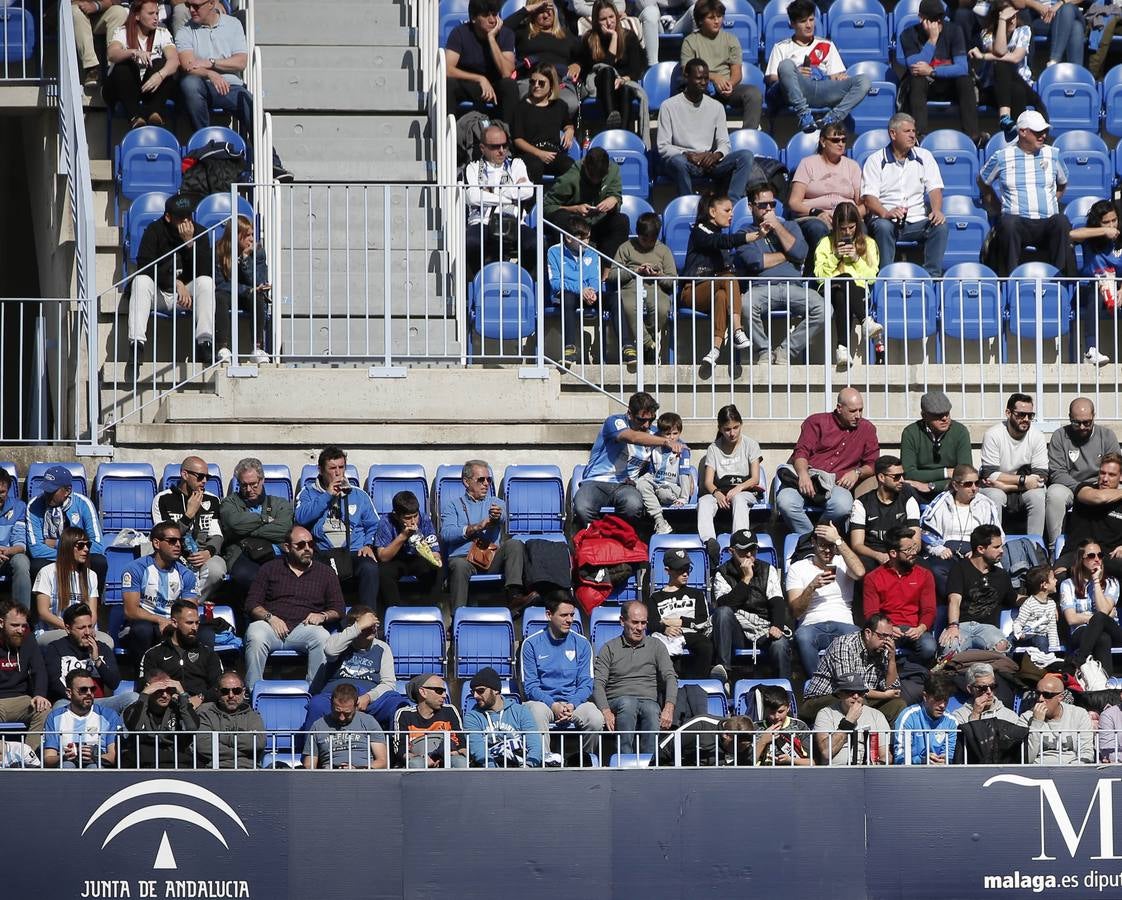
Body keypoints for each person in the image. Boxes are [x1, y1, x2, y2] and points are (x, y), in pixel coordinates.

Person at [174, 0, 290, 179]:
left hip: (231, 86)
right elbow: (188, 66)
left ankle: (272, 164)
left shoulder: (233, 24)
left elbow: (241, 62)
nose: (191, 10)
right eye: (189, 5)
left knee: (248, 101)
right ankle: (205, 148)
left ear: (211, 3)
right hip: (202, 85)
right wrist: (211, 74)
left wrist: (211, 62)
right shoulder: (185, 31)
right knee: (189, 84)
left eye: (196, 6)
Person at [243, 525, 345, 691]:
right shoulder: (269, 569)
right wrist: (270, 618)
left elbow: (339, 608)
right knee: (255, 633)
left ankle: (314, 693)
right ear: (287, 547)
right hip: (271, 627)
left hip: (304, 628)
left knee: (322, 637)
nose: (307, 549)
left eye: (311, 544)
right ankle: (254, 692)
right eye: (301, 545)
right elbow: (251, 604)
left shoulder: (326, 573)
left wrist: (323, 616)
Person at [127, 193, 217, 369]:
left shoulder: (199, 233)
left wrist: (190, 243)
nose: (186, 222)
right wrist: (175, 282)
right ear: (168, 217)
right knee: (141, 282)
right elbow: (145, 266)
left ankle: (205, 342)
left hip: (185, 298)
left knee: (206, 282)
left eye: (189, 216)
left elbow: (205, 270)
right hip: (160, 293)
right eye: (180, 218)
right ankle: (136, 345)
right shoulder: (154, 230)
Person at [739, 185, 825, 365]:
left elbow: (801, 253)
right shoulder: (745, 233)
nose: (769, 208)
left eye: (772, 204)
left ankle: (786, 350)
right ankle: (763, 351)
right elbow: (756, 262)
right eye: (763, 205)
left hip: (793, 287)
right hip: (762, 288)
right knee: (745, 305)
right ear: (751, 206)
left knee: (824, 309)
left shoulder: (790, 226)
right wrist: (788, 255)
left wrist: (777, 226)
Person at [776, 387, 880, 534]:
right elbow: (801, 452)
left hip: (835, 485)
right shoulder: (816, 422)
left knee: (843, 506)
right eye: (852, 411)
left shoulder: (867, 429)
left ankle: (818, 537)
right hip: (808, 478)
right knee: (785, 502)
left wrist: (857, 472)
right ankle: (812, 538)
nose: (858, 415)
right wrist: (803, 474)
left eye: (860, 410)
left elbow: (873, 463)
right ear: (839, 408)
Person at [977, 110, 1069, 276]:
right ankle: (1008, 283)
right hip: (1017, 221)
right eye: (1037, 132)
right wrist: (997, 205)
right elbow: (983, 181)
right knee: (1008, 224)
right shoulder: (1002, 157)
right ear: (1022, 132)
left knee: (1061, 221)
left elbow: (1062, 183)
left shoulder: (1053, 154)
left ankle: (1061, 280)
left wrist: (1052, 200)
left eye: (1045, 131)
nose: (1043, 135)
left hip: (1047, 221)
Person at [573, 391, 683, 527]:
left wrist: (686, 472)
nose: (646, 425)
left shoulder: (654, 434)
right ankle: (596, 540)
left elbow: (677, 444)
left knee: (633, 505)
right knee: (583, 507)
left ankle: (622, 540)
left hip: (626, 485)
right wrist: (665, 442)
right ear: (629, 414)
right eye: (641, 420)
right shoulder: (614, 422)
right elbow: (632, 437)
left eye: (651, 420)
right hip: (597, 481)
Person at [860, 112, 948, 278]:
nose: (913, 135)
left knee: (940, 225)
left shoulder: (925, 156)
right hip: (886, 219)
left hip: (917, 220)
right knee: (883, 226)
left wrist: (936, 209)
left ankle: (932, 278)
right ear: (893, 134)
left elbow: (935, 188)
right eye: (907, 131)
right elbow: (869, 199)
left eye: (913, 131)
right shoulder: (875, 160)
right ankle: (886, 277)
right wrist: (886, 213)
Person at [295, 445, 380, 611]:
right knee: (315, 569)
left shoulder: (359, 495)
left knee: (370, 567)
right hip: (323, 552)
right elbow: (300, 518)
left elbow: (374, 524)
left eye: (341, 467)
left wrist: (368, 544)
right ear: (320, 470)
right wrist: (327, 495)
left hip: (354, 551)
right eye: (332, 468)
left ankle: (369, 619)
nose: (337, 472)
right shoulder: (307, 493)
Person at [764, 0, 870, 133]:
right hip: (797, 90)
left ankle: (832, 119)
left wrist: (840, 77)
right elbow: (772, 78)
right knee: (786, 65)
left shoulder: (827, 45)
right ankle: (804, 116)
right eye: (803, 21)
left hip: (823, 88)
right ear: (792, 24)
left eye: (811, 19)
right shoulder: (781, 47)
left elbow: (835, 75)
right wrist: (795, 73)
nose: (809, 25)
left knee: (864, 80)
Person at [440, 460, 532, 611]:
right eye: (481, 480)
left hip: (490, 558)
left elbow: (501, 515)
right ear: (466, 482)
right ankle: (458, 617)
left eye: (488, 480)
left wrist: (496, 517)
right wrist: (475, 527)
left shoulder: (496, 502)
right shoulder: (453, 506)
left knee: (514, 544)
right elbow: (446, 534)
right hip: (465, 559)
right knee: (458, 565)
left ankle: (515, 597)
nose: (486, 484)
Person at [656, 59, 754, 202]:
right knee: (677, 162)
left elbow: (724, 143)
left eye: (706, 78)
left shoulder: (716, 107)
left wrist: (716, 155)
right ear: (686, 77)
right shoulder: (668, 106)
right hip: (684, 161)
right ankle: (688, 203)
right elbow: (663, 146)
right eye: (698, 78)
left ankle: (732, 204)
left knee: (745, 156)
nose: (703, 82)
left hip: (708, 162)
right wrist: (687, 154)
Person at [302, 606, 409, 733]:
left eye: (373, 624)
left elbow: (389, 683)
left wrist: (368, 697)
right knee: (316, 705)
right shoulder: (337, 640)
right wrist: (357, 627)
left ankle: (397, 751)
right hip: (336, 697)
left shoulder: (382, 647)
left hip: (368, 699)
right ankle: (311, 752)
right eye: (366, 625)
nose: (372, 628)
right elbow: (330, 652)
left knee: (397, 705)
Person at [679, 192, 754, 368]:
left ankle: (715, 349)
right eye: (727, 210)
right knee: (728, 279)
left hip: (713, 290)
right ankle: (737, 329)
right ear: (713, 212)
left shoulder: (721, 239)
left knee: (721, 296)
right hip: (692, 291)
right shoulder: (700, 230)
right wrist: (751, 237)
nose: (732, 214)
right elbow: (718, 241)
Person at [593, 601, 677, 755]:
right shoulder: (609, 648)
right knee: (628, 703)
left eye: (643, 623)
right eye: (635, 622)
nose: (640, 628)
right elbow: (598, 683)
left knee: (652, 709)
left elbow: (670, 677)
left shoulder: (656, 646)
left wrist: (669, 708)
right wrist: (605, 711)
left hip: (648, 699)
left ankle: (651, 762)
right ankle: (625, 759)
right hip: (618, 700)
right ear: (622, 621)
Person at [521, 595, 605, 748]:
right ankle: (543, 763)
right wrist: (553, 705)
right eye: (563, 615)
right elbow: (530, 687)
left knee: (595, 718)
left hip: (573, 703)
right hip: (544, 704)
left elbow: (586, 684)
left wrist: (572, 704)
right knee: (536, 712)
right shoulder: (531, 644)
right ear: (549, 615)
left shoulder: (582, 644)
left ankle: (585, 761)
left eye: (572, 615)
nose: (569, 620)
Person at [710, 529, 791, 680]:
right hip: (736, 631)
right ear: (731, 551)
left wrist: (777, 626)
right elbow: (725, 604)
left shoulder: (768, 570)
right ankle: (723, 672)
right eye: (743, 550)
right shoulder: (722, 573)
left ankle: (783, 691)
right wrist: (746, 579)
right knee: (723, 613)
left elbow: (777, 602)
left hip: (763, 628)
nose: (749, 555)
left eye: (752, 550)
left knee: (780, 645)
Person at [897, 0, 981, 145]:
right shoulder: (908, 34)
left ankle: (972, 135)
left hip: (949, 84)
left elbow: (962, 67)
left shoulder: (954, 30)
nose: (937, 23)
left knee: (965, 80)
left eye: (940, 18)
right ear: (921, 18)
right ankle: (920, 135)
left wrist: (932, 70)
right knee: (917, 80)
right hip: (925, 86)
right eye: (933, 19)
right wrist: (932, 40)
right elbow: (914, 67)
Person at [786, 522, 864, 677]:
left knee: (857, 636)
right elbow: (795, 611)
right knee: (802, 637)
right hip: (812, 624)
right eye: (823, 546)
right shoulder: (798, 568)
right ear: (813, 543)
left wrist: (838, 540)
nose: (828, 551)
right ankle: (819, 683)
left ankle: (849, 685)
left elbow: (860, 572)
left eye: (831, 546)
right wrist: (812, 587)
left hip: (844, 623)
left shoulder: (843, 563)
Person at [786, 122, 864, 268]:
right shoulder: (807, 164)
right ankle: (819, 273)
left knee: (862, 229)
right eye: (835, 140)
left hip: (845, 219)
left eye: (843, 140)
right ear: (823, 141)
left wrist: (848, 217)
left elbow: (862, 204)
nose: (841, 144)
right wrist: (817, 212)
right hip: (814, 217)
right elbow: (794, 202)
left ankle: (857, 274)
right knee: (818, 228)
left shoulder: (852, 166)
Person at [464, 123, 537, 277]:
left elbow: (528, 191)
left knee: (535, 243)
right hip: (482, 221)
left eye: (505, 145)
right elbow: (474, 197)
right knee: (470, 242)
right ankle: (472, 288)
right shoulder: (473, 167)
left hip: (514, 221)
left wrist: (491, 192)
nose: (502, 150)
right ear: (483, 148)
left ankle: (525, 283)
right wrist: (507, 197)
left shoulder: (516, 164)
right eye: (495, 146)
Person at [1046, 398, 1120, 552]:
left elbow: (1114, 467)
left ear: (1094, 416)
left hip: (1099, 485)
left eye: (1087, 422)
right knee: (1054, 494)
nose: (1082, 427)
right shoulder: (1060, 436)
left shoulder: (1106, 436)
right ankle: (1055, 548)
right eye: (1076, 422)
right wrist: (1081, 490)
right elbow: (1057, 472)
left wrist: (1095, 490)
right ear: (1069, 417)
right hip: (1070, 485)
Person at [121, 520, 203, 659]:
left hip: (173, 622)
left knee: (200, 632)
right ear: (156, 543)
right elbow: (131, 611)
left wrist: (172, 623)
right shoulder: (136, 569)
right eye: (171, 541)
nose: (178, 545)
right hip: (145, 621)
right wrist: (160, 620)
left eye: (179, 541)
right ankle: (142, 676)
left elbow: (190, 609)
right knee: (143, 630)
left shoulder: (186, 574)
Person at [969, 0, 1049, 141]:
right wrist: (1002, 21)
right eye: (1008, 17)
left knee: (1003, 66)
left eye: (1014, 16)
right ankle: (1018, 139)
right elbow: (1000, 51)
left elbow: (1015, 58)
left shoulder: (1024, 30)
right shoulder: (987, 34)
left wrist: (983, 56)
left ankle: (1004, 117)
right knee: (1005, 72)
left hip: (1023, 82)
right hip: (995, 88)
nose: (1012, 20)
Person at [919, 463, 1003, 596]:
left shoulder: (986, 504)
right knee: (935, 570)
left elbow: (996, 535)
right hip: (947, 553)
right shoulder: (941, 503)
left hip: (976, 553)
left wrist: (977, 552)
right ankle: (956, 601)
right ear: (955, 485)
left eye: (977, 483)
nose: (974, 488)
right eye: (968, 484)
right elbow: (926, 532)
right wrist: (938, 549)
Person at [151, 454, 227, 602]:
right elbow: (163, 536)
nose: (204, 481)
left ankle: (189, 604)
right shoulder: (163, 499)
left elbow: (217, 535)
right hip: (174, 555)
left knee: (217, 569)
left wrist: (209, 552)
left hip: (202, 554)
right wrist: (188, 515)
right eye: (200, 476)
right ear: (185, 474)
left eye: (207, 477)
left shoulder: (212, 499)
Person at [813, 202, 881, 368]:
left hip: (856, 292)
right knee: (844, 279)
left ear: (857, 224)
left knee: (845, 288)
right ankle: (866, 320)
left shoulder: (869, 243)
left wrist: (856, 258)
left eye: (851, 227)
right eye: (843, 228)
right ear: (836, 226)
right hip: (830, 289)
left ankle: (842, 348)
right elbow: (820, 277)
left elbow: (871, 277)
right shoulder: (824, 243)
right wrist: (835, 256)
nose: (847, 232)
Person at [219, 456, 294, 600]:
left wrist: (247, 531)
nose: (248, 490)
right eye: (243, 485)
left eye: (253, 484)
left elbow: (284, 530)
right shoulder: (229, 503)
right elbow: (234, 524)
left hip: (274, 552)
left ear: (262, 480)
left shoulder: (280, 503)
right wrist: (265, 520)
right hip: (241, 555)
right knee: (249, 579)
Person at [679, 0, 762, 128]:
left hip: (727, 87)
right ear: (700, 20)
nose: (717, 21)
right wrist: (714, 78)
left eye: (719, 16)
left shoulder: (731, 39)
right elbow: (687, 70)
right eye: (711, 18)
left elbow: (737, 72)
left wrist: (730, 85)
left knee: (753, 93)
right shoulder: (690, 41)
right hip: (703, 87)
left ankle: (748, 134)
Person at [25, 466, 107, 593]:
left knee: (99, 562)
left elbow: (97, 545)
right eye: (46, 490)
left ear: (67, 491)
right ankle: (41, 610)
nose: (47, 495)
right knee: (37, 565)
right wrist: (71, 553)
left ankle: (93, 607)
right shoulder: (34, 506)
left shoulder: (84, 504)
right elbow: (36, 549)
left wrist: (58, 544)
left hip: (78, 555)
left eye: (52, 491)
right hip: (54, 557)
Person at [863, 527, 937, 665]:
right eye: (908, 550)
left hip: (914, 629)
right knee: (875, 645)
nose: (914, 553)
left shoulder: (925, 575)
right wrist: (888, 629)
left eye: (914, 547)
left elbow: (929, 610)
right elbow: (871, 613)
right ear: (893, 553)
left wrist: (920, 628)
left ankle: (911, 671)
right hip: (887, 629)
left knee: (929, 647)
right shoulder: (873, 578)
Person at [697, 404, 762, 560]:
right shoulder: (713, 448)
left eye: (736, 427)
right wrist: (716, 493)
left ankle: (740, 541)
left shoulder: (750, 445)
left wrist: (739, 488)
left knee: (739, 499)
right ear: (720, 428)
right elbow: (708, 481)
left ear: (741, 425)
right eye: (727, 429)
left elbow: (755, 478)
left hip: (745, 491)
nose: (732, 433)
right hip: (721, 492)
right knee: (704, 501)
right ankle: (709, 542)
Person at [43, 603, 135, 712]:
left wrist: (97, 660)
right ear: (68, 629)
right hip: (69, 702)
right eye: (81, 628)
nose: (87, 632)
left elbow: (114, 683)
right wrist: (79, 697)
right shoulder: (56, 648)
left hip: (98, 703)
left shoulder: (102, 648)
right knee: (59, 706)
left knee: (133, 698)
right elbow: (54, 684)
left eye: (90, 626)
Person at [979, 392, 1048, 537]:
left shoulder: (1037, 436)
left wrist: (1006, 485)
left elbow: (1040, 478)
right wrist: (1023, 480)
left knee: (1037, 496)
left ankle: (1035, 546)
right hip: (997, 488)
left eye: (1030, 415)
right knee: (994, 496)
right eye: (1021, 415)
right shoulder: (993, 435)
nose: (1026, 419)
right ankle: (993, 546)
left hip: (1012, 487)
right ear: (1008, 413)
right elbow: (989, 474)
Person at [940, 525, 1018, 654]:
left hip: (988, 628)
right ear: (981, 549)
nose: (1002, 551)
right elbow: (954, 600)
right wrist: (953, 626)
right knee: (950, 649)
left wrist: (1040, 599)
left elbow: (1013, 599)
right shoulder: (959, 569)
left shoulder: (1002, 575)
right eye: (996, 547)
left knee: (1001, 645)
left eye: (1001, 546)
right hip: (961, 626)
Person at [543, 147, 629, 262]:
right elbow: (547, 207)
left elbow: (617, 196)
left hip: (599, 223)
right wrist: (574, 209)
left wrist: (614, 200)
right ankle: (569, 265)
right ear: (584, 165)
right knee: (560, 217)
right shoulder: (571, 177)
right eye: (592, 176)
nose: (595, 180)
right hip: (575, 225)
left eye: (600, 177)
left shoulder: (614, 171)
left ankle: (609, 270)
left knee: (622, 221)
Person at [103, 0, 178, 129]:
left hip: (149, 87)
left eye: (157, 13)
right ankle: (135, 117)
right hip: (122, 87)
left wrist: (160, 75)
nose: (155, 17)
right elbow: (112, 54)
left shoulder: (162, 33)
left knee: (161, 64)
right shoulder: (122, 32)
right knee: (125, 66)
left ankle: (154, 114)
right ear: (137, 16)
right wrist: (133, 52)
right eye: (150, 13)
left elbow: (174, 60)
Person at [613, 212, 677, 362]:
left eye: (652, 240)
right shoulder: (626, 248)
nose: (648, 243)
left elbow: (672, 280)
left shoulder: (664, 250)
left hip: (656, 288)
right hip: (630, 288)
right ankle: (649, 344)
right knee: (628, 306)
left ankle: (648, 345)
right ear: (637, 234)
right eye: (644, 239)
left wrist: (658, 275)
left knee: (661, 307)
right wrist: (635, 271)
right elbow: (613, 275)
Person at [505, 0, 583, 117]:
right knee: (529, 101)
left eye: (549, 11)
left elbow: (585, 55)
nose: (546, 15)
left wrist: (577, 64)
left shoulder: (565, 35)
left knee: (570, 103)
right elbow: (502, 29)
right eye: (541, 11)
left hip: (559, 83)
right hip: (530, 81)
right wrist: (528, 9)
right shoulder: (523, 32)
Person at [137, 599, 222, 707]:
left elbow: (219, 686)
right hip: (167, 707)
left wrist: (201, 697)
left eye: (197, 623)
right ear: (174, 623)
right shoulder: (153, 654)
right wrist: (171, 696)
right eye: (189, 623)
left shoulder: (208, 654)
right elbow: (145, 686)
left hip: (201, 707)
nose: (195, 628)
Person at [579, 0, 647, 132]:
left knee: (626, 91)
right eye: (603, 19)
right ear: (596, 21)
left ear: (616, 16)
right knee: (608, 71)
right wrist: (614, 38)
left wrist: (623, 79)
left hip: (623, 82)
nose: (609, 22)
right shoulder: (590, 39)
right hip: (600, 84)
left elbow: (636, 69)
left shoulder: (629, 37)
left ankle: (623, 134)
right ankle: (611, 120)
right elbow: (605, 66)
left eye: (611, 17)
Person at [847, 455, 921, 573]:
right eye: (896, 477)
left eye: (903, 475)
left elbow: (917, 543)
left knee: (926, 569)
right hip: (872, 555)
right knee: (859, 569)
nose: (902, 480)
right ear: (881, 477)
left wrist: (899, 555)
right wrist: (878, 555)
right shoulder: (861, 503)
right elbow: (857, 544)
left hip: (902, 553)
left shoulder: (909, 501)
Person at [445, 0, 518, 118]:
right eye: (485, 15)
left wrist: (491, 39)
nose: (492, 20)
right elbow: (447, 69)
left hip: (495, 85)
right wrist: (479, 79)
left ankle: (509, 133)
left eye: (494, 14)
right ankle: (447, 131)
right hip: (469, 83)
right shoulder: (459, 33)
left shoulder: (506, 34)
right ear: (473, 18)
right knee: (449, 84)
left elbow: (506, 73)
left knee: (509, 86)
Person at [214, 215, 271, 365]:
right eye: (247, 235)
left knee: (258, 296)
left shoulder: (258, 252)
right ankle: (222, 348)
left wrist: (245, 259)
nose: (252, 239)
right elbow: (220, 283)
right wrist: (247, 290)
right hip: (228, 294)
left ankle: (257, 348)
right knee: (219, 296)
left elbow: (258, 281)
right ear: (235, 236)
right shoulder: (218, 250)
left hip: (247, 297)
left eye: (252, 234)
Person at [899, 389, 974, 505]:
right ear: (924, 416)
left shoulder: (960, 432)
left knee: (967, 487)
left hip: (951, 489)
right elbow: (908, 473)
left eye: (947, 413)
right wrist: (945, 472)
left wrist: (931, 486)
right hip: (917, 490)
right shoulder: (911, 433)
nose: (944, 419)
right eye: (938, 415)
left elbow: (965, 474)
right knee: (905, 488)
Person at [547, 215, 605, 365]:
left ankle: (628, 348)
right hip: (568, 295)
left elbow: (595, 278)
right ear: (568, 238)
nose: (587, 242)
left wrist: (592, 291)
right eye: (583, 239)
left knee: (615, 299)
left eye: (589, 238)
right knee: (568, 297)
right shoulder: (554, 252)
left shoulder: (592, 252)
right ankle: (570, 349)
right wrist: (581, 288)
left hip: (588, 295)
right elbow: (555, 282)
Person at [646, 549, 713, 677]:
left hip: (691, 633)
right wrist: (664, 628)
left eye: (687, 569)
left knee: (705, 645)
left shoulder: (697, 594)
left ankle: (698, 683)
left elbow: (703, 620)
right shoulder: (656, 597)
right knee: (661, 648)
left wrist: (679, 621)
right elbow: (651, 622)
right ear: (668, 570)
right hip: (667, 635)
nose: (685, 574)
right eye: (680, 569)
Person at [1060, 539, 1122, 676]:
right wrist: (1099, 618)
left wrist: (1096, 581)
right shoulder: (1068, 585)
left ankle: (1078, 660)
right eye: (1091, 556)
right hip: (1080, 632)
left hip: (1114, 631)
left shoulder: (1112, 582)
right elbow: (1071, 619)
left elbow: (1103, 611)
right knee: (1102, 637)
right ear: (1081, 559)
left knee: (1101, 619)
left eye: (1100, 555)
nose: (1097, 559)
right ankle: (1106, 683)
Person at [31, 527, 102, 647]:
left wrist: (85, 630)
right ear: (68, 547)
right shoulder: (47, 572)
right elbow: (43, 612)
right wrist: (71, 629)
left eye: (88, 545)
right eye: (80, 545)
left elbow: (93, 613)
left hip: (83, 632)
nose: (86, 549)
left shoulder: (91, 575)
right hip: (53, 630)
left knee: (108, 642)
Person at [1072, 199, 1121, 368]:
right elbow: (1072, 235)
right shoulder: (1091, 237)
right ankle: (1091, 349)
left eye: (1114, 220)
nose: (1112, 225)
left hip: (1117, 288)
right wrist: (1101, 231)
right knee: (1097, 289)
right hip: (1092, 288)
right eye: (1106, 222)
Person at [373, 491, 441, 609]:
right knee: (382, 571)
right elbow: (383, 556)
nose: (413, 521)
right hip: (394, 560)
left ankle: (427, 611)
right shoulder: (385, 522)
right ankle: (394, 612)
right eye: (408, 518)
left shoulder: (424, 519)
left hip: (417, 558)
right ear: (396, 515)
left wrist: (435, 559)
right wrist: (403, 536)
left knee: (438, 570)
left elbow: (435, 550)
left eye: (415, 516)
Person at [464, 666, 543, 767]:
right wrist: (496, 774)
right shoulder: (472, 717)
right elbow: (478, 750)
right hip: (489, 772)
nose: (475, 696)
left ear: (496, 690)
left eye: (480, 691)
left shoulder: (521, 711)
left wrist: (527, 768)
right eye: (473, 692)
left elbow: (534, 743)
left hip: (521, 768)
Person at [120, 670, 200, 768]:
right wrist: (144, 695)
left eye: (169, 690)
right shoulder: (133, 709)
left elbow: (193, 727)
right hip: (143, 761)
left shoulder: (178, 708)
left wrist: (183, 695)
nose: (165, 695)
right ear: (149, 689)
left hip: (174, 759)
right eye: (159, 690)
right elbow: (136, 727)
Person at [511, 63, 576, 185]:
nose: (536, 86)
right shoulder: (521, 107)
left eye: (541, 83)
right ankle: (532, 203)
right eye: (533, 82)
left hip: (552, 154)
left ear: (551, 85)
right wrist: (539, 153)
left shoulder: (560, 106)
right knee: (535, 165)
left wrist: (570, 130)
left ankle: (561, 202)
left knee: (570, 166)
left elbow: (568, 124)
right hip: (529, 154)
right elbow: (518, 140)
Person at [42, 671, 122, 769]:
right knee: (67, 766)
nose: (89, 693)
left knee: (93, 767)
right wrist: (64, 757)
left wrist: (95, 756)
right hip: (65, 766)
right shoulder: (54, 717)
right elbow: (48, 758)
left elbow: (114, 757)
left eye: (92, 689)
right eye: (83, 690)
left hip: (98, 767)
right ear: (69, 693)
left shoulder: (109, 716)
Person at [303, 682, 389, 770]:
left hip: (364, 775)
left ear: (356, 706)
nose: (342, 718)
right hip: (330, 776)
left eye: (347, 713)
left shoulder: (368, 721)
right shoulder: (318, 726)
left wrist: (359, 769)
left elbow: (383, 761)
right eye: (337, 712)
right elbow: (309, 764)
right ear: (331, 705)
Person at [812, 671, 891, 765]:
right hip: (835, 773)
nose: (856, 696)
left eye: (860, 692)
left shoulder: (877, 715)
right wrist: (848, 722)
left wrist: (880, 764)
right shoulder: (825, 714)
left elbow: (885, 754)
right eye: (850, 692)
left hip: (868, 773)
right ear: (839, 694)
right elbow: (826, 753)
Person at [0, 601, 51, 747]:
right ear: (1, 623)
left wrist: (40, 694)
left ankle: (28, 757)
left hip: (21, 699)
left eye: (23, 625)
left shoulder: (28, 639)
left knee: (44, 709)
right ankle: (5, 754)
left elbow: (39, 669)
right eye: (15, 625)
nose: (20, 630)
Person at [1064, 453, 1122, 579]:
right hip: (1076, 554)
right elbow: (1099, 498)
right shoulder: (1084, 489)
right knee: (1056, 577)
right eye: (1102, 473)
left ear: (1121, 477)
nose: (1105, 478)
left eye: (1111, 475)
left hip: (1107, 558)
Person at [391, 674, 468, 768]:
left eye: (444, 691)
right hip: (418, 759)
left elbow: (460, 742)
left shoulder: (450, 711)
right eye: (439, 691)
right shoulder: (404, 714)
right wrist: (421, 757)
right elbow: (400, 749)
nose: (444, 695)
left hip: (446, 758)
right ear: (423, 692)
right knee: (416, 763)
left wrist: (455, 752)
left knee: (460, 761)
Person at [635, 411, 692, 536]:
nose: (671, 437)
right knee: (641, 484)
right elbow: (650, 471)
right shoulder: (655, 447)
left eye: (675, 433)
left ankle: (657, 502)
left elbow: (684, 475)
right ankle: (660, 521)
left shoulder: (683, 451)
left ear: (680, 432)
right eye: (667, 434)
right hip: (657, 483)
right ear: (661, 434)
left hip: (674, 488)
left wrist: (683, 498)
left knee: (663, 493)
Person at [1021, 673, 1096, 764]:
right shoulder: (1026, 718)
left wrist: (1070, 770)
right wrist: (1036, 723)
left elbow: (1087, 753)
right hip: (1038, 772)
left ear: (1060, 697)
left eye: (1047, 695)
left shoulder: (1079, 714)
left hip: (1071, 771)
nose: (1040, 699)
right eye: (1037, 694)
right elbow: (1026, 759)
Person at [196, 671, 264, 769]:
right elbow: (203, 746)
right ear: (217, 692)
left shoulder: (253, 716)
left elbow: (258, 743)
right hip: (213, 771)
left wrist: (219, 737)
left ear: (243, 692)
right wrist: (243, 753)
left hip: (248, 771)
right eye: (225, 691)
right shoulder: (205, 713)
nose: (231, 695)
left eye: (236, 691)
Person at [892, 673, 958, 765]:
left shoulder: (951, 721)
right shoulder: (908, 717)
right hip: (911, 774)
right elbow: (900, 759)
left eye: (946, 700)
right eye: (937, 699)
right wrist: (922, 760)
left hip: (941, 774)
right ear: (925, 696)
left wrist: (946, 760)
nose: (942, 705)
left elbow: (950, 756)